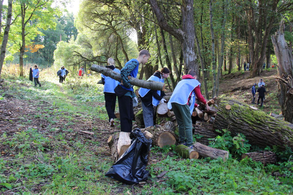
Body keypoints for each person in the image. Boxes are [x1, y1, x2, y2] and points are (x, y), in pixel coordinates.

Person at [115, 50, 150, 153]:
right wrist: (128, 84)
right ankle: (125, 138)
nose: (146, 61)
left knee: (129, 114)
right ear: (144, 56)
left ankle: (127, 135)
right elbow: (124, 71)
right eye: (147, 59)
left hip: (127, 93)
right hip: (124, 92)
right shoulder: (134, 62)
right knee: (126, 115)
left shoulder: (134, 63)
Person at [167, 70, 209, 147]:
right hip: (182, 102)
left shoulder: (181, 82)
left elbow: (188, 96)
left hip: (173, 102)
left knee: (180, 123)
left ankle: (182, 141)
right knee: (188, 123)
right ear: (195, 77)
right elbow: (199, 96)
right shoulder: (194, 82)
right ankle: (190, 144)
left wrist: (195, 105)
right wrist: (205, 103)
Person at [102, 58, 120, 127]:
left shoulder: (104, 70)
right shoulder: (117, 70)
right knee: (113, 104)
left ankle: (111, 117)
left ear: (108, 62)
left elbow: (103, 81)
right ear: (114, 62)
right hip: (115, 89)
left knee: (108, 105)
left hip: (107, 89)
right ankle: (111, 119)